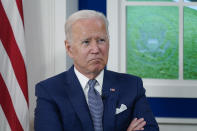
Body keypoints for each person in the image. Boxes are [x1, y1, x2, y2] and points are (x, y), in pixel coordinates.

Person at [34, 10, 159, 131]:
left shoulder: (132, 85)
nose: (95, 49)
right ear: (69, 48)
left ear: (109, 43)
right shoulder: (49, 91)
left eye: (101, 40)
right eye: (86, 42)